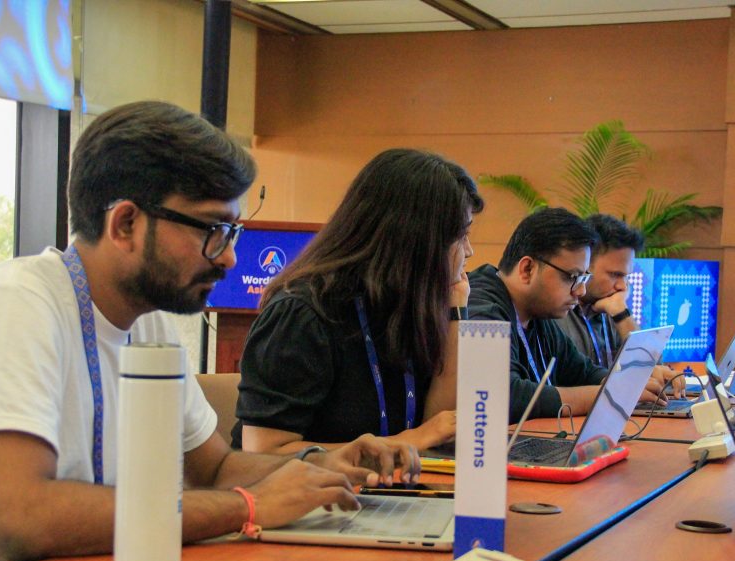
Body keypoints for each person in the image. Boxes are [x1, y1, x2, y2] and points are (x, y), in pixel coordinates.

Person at [0, 101, 418, 561]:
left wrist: (317, 467)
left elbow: (214, 467)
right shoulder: (14, 306)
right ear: (125, 223)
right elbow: (20, 520)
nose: (228, 259)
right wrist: (248, 507)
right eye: (214, 229)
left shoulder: (146, 321)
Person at [233, 148, 483, 454]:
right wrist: (407, 442)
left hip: (382, 494)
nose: (469, 251)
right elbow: (263, 452)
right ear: (415, 238)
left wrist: (457, 310)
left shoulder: (404, 306)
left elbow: (440, 431)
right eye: (461, 236)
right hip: (307, 499)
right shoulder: (302, 314)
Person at [468, 207, 679, 423]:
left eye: (583, 279)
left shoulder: (537, 313)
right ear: (527, 269)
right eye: (573, 277)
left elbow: (583, 372)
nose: (580, 291)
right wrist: (612, 394)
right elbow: (500, 396)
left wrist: (628, 383)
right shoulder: (480, 305)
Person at [554, 214, 644, 369]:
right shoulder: (555, 313)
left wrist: (621, 315)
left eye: (627, 277)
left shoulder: (610, 308)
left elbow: (648, 367)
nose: (623, 287)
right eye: (615, 275)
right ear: (585, 265)